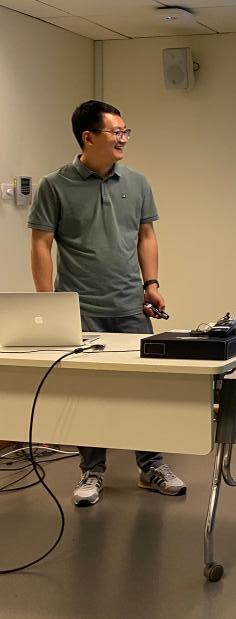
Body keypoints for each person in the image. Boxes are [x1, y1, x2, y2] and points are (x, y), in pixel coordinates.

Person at [28, 100, 186, 506]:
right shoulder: (54, 185)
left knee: (144, 390)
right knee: (87, 393)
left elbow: (146, 235)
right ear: (88, 137)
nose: (124, 139)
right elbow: (41, 244)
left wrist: (151, 284)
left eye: (125, 131)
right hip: (81, 310)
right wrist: (47, 303)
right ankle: (92, 471)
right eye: (116, 132)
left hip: (131, 306)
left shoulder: (137, 182)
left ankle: (151, 467)